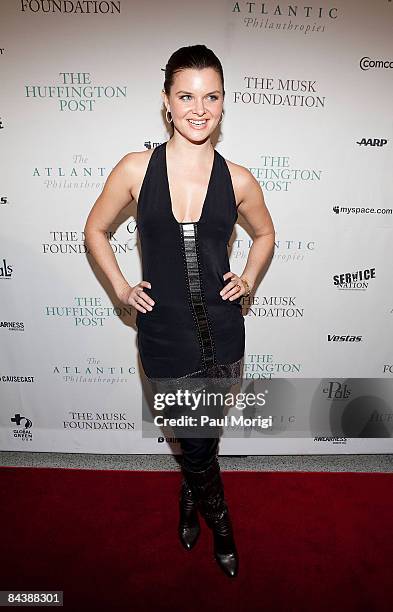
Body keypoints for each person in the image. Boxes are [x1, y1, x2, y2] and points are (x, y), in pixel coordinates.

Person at [84, 44, 275, 578]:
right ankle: (224, 528)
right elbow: (94, 230)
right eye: (186, 95)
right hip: (164, 336)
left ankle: (191, 497)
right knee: (194, 445)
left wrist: (250, 278)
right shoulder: (134, 168)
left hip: (225, 334)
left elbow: (265, 234)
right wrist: (122, 288)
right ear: (166, 102)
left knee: (202, 438)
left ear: (223, 104)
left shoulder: (238, 179)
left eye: (210, 96)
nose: (199, 107)